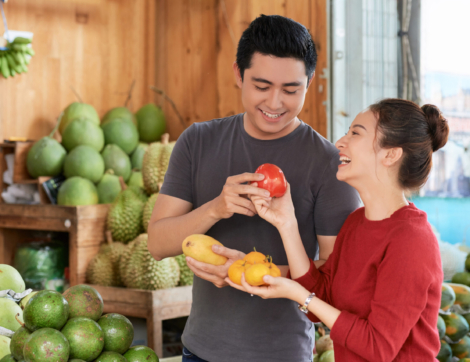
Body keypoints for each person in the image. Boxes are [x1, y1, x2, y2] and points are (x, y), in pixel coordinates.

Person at [148, 14, 360, 362]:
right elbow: (157, 244)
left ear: (309, 82)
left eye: (291, 90)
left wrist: (248, 272)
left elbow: (336, 280)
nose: (275, 103)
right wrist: (217, 207)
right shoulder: (198, 142)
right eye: (262, 86)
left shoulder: (328, 163)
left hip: (283, 355)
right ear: (238, 74)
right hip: (199, 351)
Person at [227, 99, 449, 361]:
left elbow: (378, 348)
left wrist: (296, 293)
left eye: (355, 133)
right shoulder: (355, 223)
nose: (339, 143)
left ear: (390, 154)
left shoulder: (412, 240)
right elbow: (320, 299)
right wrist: (286, 224)